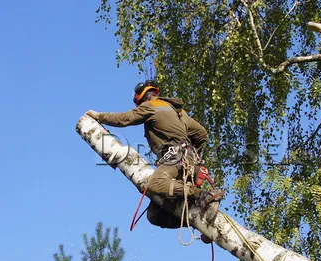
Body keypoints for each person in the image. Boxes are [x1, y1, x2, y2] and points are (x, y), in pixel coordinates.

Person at [85, 80, 224, 242]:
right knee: (154, 215)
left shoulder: (150, 106)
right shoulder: (179, 112)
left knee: (155, 185)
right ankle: (200, 221)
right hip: (189, 163)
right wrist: (194, 155)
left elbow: (125, 118)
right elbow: (201, 134)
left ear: (140, 99)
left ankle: (204, 195)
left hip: (176, 160)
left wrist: (98, 116)